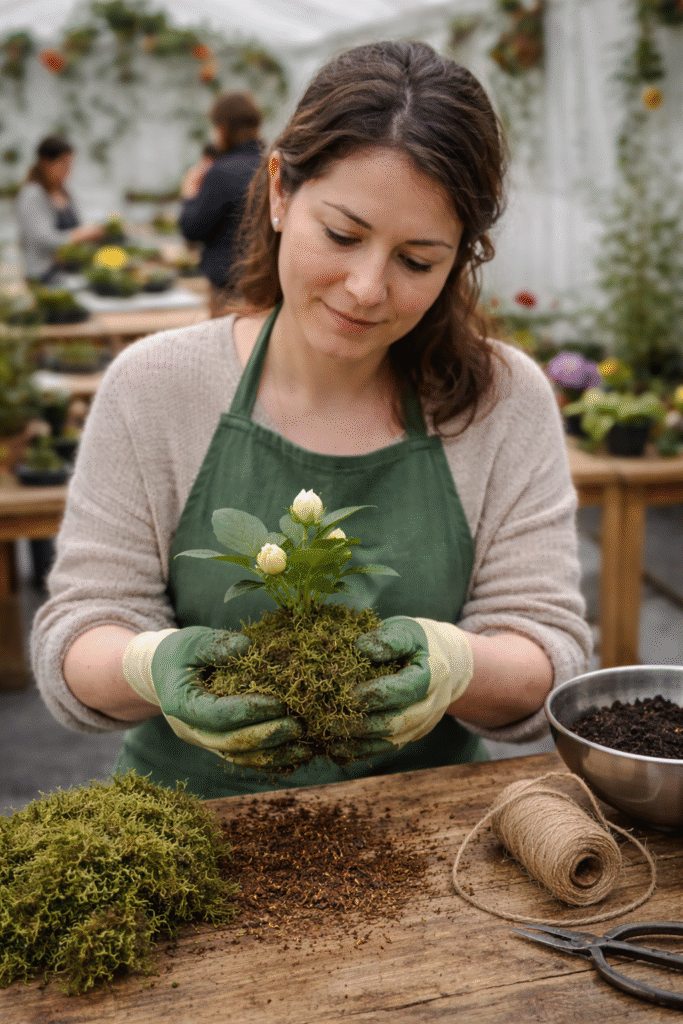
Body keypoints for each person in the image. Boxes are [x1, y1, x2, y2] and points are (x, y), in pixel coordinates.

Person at [31, 40, 592, 800]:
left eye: (416, 260)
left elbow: (546, 652)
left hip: (429, 837)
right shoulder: (156, 386)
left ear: (459, 257)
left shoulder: (500, 401)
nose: (366, 287)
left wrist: (457, 662)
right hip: (190, 829)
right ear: (279, 191)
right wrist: (150, 667)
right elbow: (82, 632)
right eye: (342, 235)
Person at [178, 92, 264, 317]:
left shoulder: (222, 171)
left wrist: (189, 193)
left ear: (223, 128)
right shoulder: (274, 164)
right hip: (269, 287)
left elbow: (192, 229)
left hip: (230, 291)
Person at [16, 136, 104, 284]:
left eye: (70, 164)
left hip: (71, 270)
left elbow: (79, 224)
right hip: (45, 275)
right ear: (45, 163)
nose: (68, 170)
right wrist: (80, 235)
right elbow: (44, 239)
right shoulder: (32, 195)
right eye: (63, 163)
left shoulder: (65, 192)